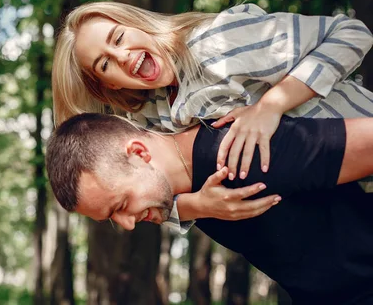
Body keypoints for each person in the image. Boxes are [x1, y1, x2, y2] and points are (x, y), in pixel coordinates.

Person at [52, 1, 373, 231]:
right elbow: (143, 199)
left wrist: (271, 105)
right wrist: (198, 205)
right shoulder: (154, 117)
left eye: (119, 38)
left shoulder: (216, 45)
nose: (122, 56)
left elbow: (352, 34)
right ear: (109, 83)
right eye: (105, 64)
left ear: (138, 24)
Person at [46, 113, 373, 304]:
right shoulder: (189, 191)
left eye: (121, 205)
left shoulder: (239, 151)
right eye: (113, 217)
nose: (127, 224)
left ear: (139, 153)